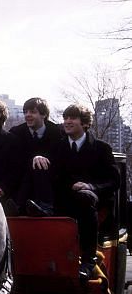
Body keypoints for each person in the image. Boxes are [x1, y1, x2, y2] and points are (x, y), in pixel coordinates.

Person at [52, 104, 120, 280]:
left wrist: (90, 186)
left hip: (92, 200)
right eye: (65, 118)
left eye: (72, 118)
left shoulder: (101, 148)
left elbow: (114, 181)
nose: (67, 122)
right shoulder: (58, 147)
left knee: (84, 197)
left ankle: (88, 260)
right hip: (63, 198)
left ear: (85, 123)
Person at [9, 97, 63, 216]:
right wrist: (33, 159)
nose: (28, 115)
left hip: (49, 176)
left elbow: (60, 158)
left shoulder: (57, 132)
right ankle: (18, 206)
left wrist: (42, 158)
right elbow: (14, 160)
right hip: (23, 176)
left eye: (32, 112)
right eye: (25, 112)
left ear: (43, 114)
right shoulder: (16, 132)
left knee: (40, 165)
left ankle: (46, 206)